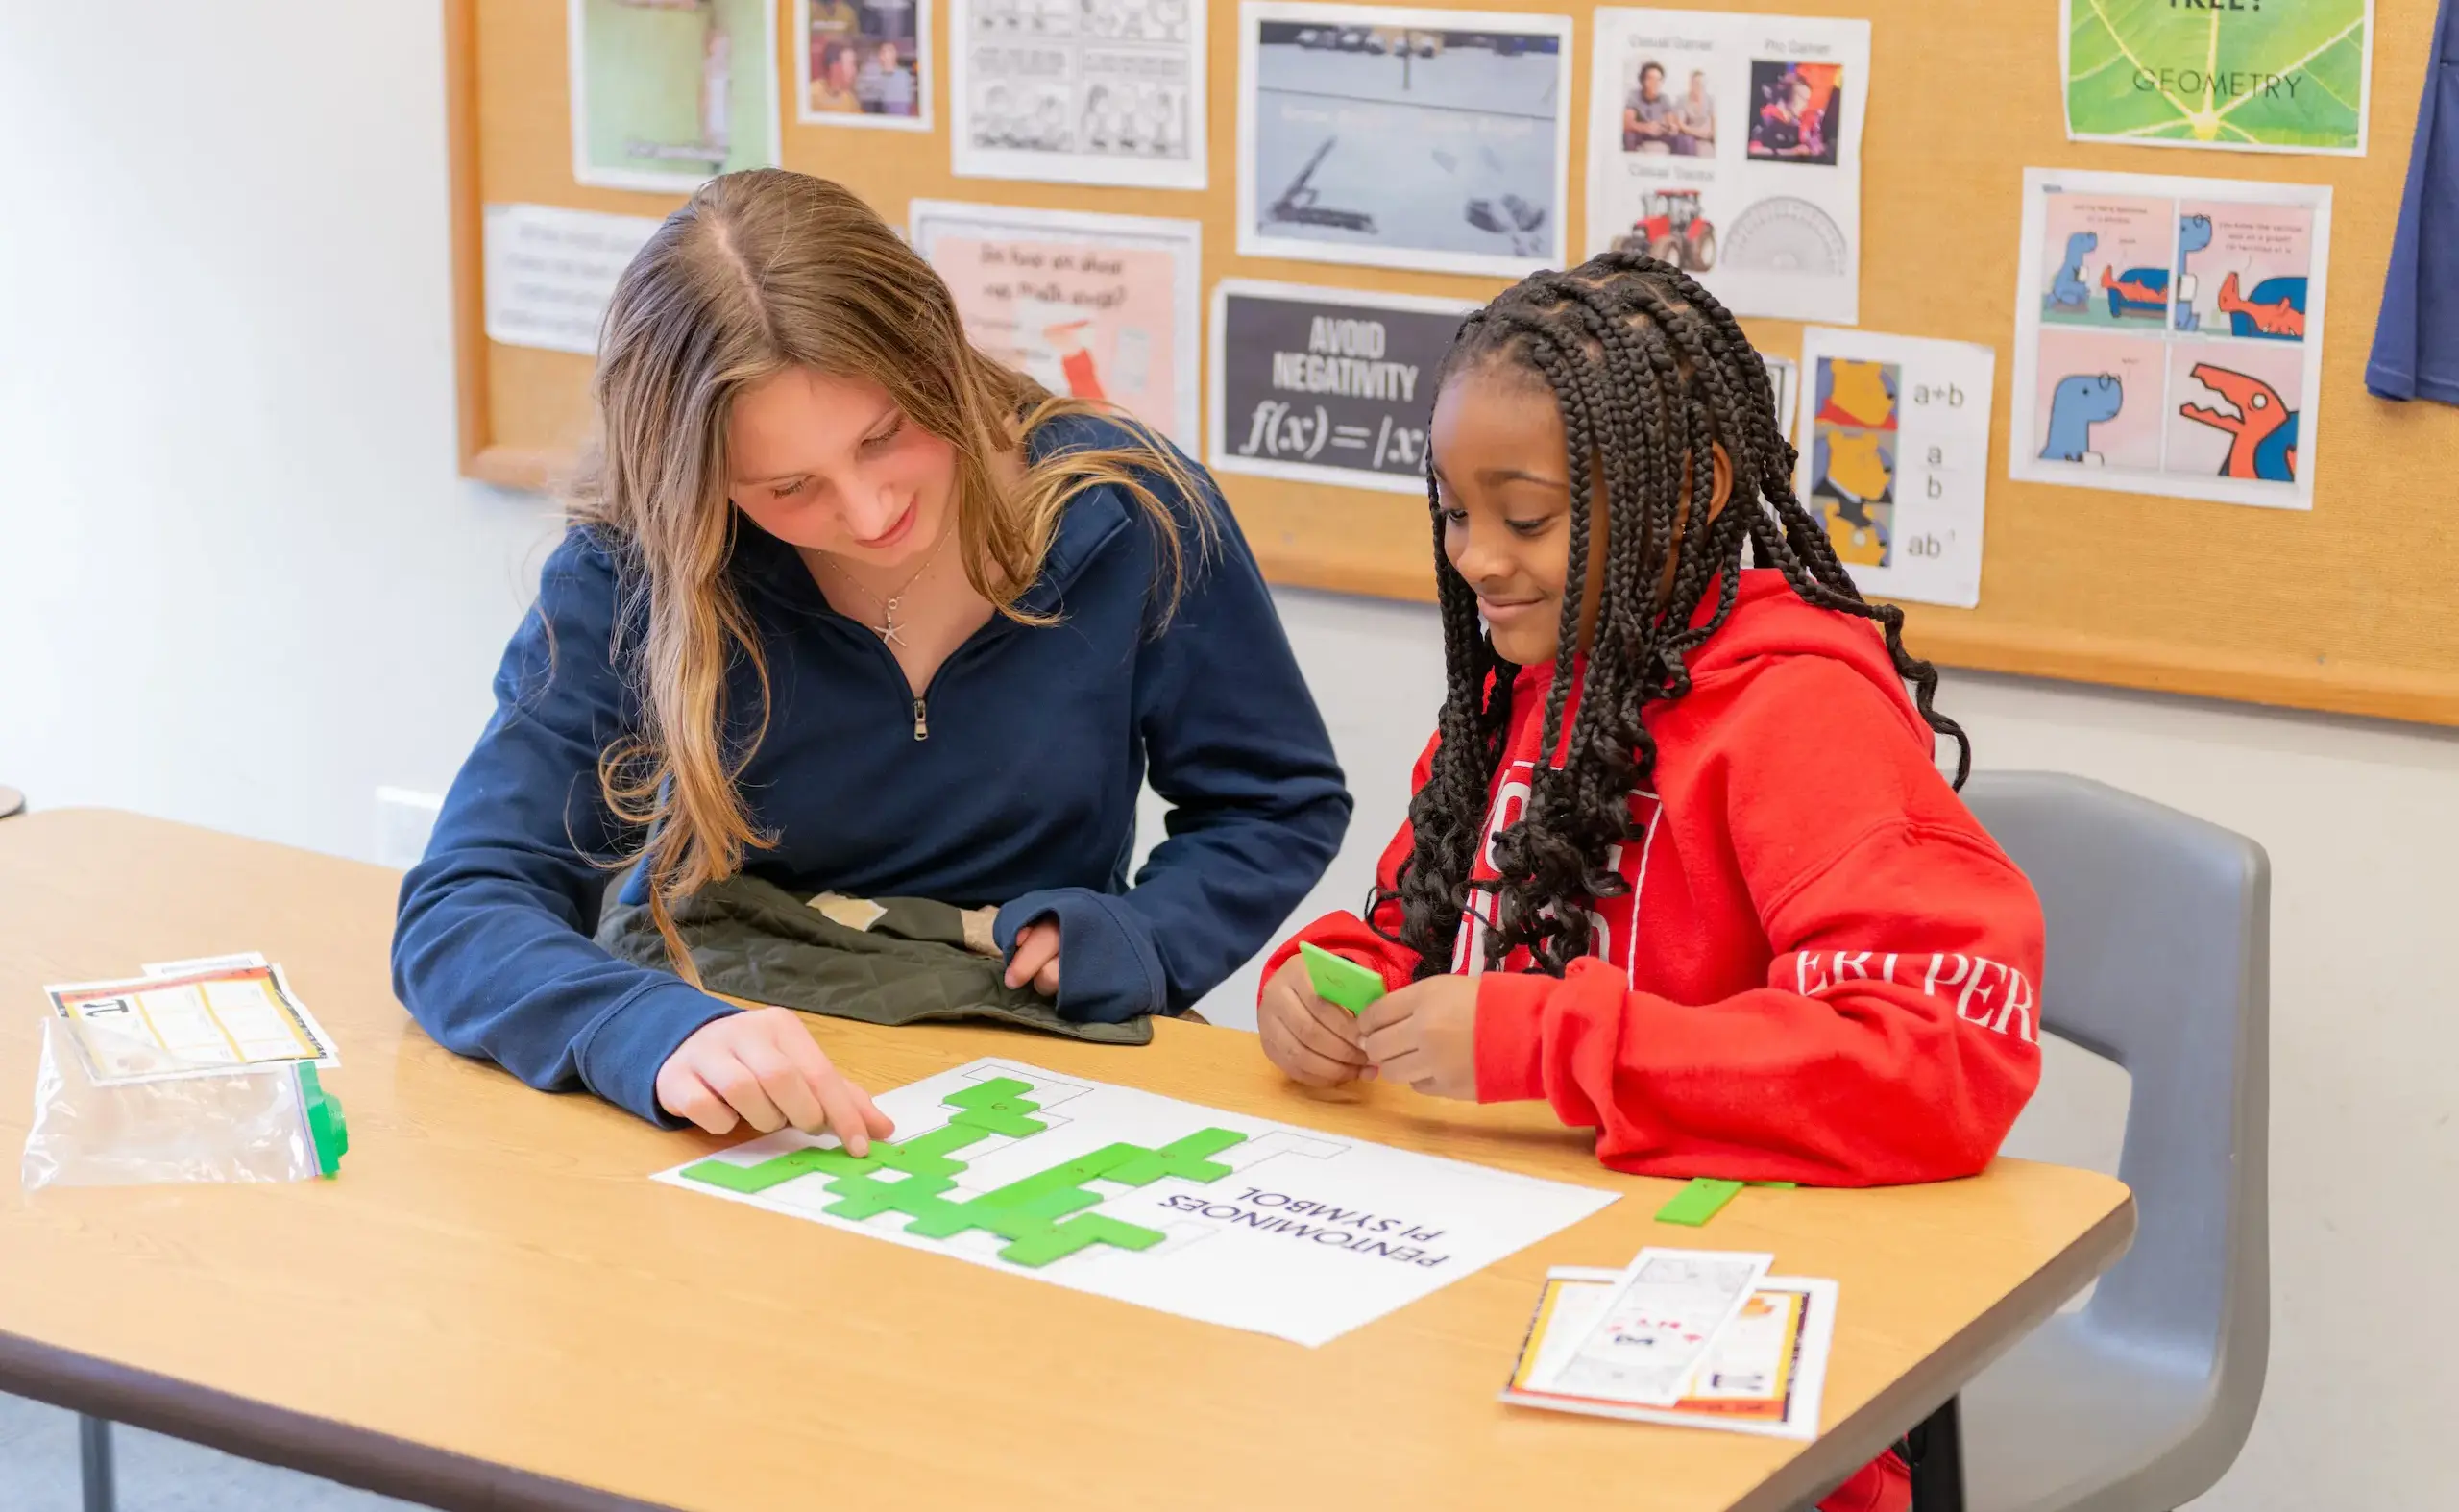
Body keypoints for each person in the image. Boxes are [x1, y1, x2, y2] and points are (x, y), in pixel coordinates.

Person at [1253, 255, 2041, 1512]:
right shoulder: (1524, 684)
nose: (1477, 561)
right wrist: (1334, 981)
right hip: (1475, 1298)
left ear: (1693, 491)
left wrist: (1549, 1040)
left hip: (1721, 1356)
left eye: (1528, 516)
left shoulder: (1800, 714)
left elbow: (1939, 1061)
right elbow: (1428, 915)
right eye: (1455, 513)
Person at [396, 170, 1350, 1142]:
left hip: (1029, 1056)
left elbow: (1273, 799)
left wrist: (1146, 937)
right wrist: (645, 1028)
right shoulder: (639, 568)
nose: (868, 512)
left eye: (886, 436)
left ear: (936, 354)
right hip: (731, 1029)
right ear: (703, 490)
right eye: (788, 487)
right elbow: (464, 904)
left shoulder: (1125, 509)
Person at [1622, 61, 1677, 153]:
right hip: (1640, 133)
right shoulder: (1634, 96)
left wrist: (1672, 128)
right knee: (1628, 136)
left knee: (1683, 140)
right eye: (1651, 79)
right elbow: (1626, 123)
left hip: (1659, 133)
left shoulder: (1664, 98)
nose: (1655, 83)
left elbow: (1671, 122)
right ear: (1643, 81)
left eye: (1658, 80)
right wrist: (1645, 127)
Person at [808, 39, 863, 113]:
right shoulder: (810, 96)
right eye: (851, 64)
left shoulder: (849, 99)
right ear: (835, 67)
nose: (855, 71)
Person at [1672, 68, 1715, 156]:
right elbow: (1681, 125)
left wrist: (1708, 134)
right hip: (1688, 137)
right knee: (1687, 142)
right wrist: (1700, 133)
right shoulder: (1682, 100)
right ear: (1690, 84)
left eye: (1702, 84)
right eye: (1696, 83)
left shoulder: (1710, 100)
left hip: (1705, 136)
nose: (1699, 86)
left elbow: (1713, 128)